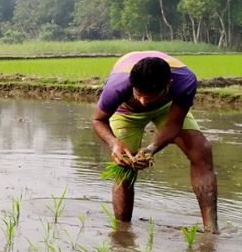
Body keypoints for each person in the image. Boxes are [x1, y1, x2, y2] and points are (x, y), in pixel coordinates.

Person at [91, 51, 217, 233]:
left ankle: (211, 229)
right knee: (125, 167)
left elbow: (174, 123)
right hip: (126, 113)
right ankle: (122, 230)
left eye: (149, 97)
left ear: (169, 84)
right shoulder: (117, 86)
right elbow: (98, 120)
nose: (143, 102)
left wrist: (151, 149)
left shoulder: (185, 81)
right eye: (138, 94)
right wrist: (114, 144)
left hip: (167, 109)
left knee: (201, 149)